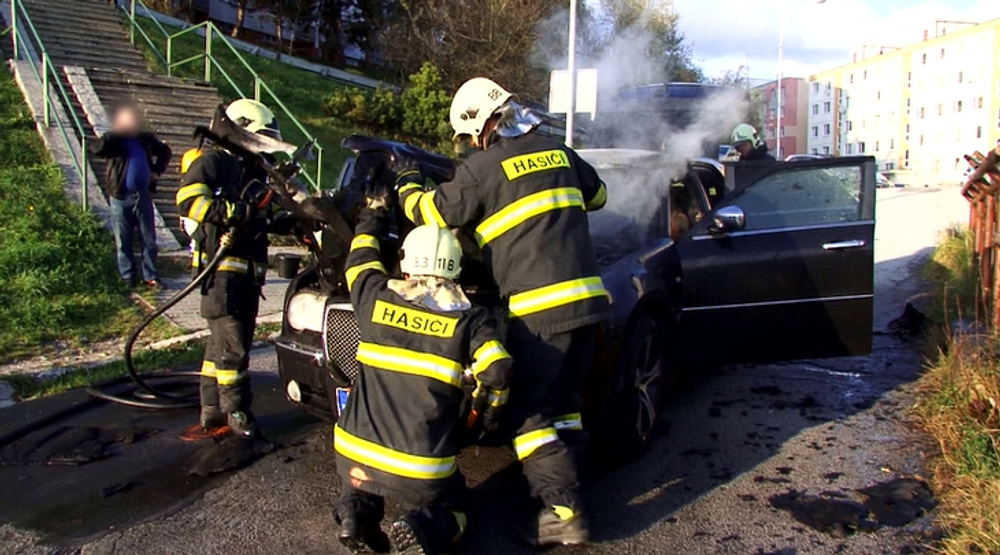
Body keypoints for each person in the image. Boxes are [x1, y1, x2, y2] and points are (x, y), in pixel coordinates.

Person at [392, 77, 610, 546]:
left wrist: (407, 180)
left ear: (479, 127)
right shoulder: (559, 151)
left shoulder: (481, 168)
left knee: (528, 416)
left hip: (538, 314)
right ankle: (572, 493)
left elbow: (430, 212)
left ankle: (563, 513)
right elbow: (598, 197)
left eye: (469, 136)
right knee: (566, 409)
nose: (471, 144)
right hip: (588, 304)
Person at [334, 202, 513, 555]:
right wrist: (484, 416)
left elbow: (360, 260)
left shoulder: (373, 297)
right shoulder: (470, 320)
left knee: (360, 479)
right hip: (421, 467)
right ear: (456, 270)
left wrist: (373, 214)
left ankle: (356, 518)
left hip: (351, 450)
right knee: (457, 505)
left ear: (404, 264)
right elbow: (498, 368)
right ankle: (422, 527)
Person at [174, 98, 291, 441]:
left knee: (218, 349)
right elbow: (188, 199)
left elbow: (263, 216)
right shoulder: (214, 162)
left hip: (246, 277)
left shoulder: (251, 172)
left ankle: (211, 413)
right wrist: (234, 212)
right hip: (223, 274)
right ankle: (239, 415)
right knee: (234, 349)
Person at [90, 103, 172, 287]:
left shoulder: (144, 139)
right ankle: (127, 276)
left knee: (149, 239)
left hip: (142, 196)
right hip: (120, 197)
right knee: (123, 240)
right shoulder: (114, 141)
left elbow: (165, 151)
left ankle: (150, 275)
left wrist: (157, 171)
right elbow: (96, 148)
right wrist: (116, 132)